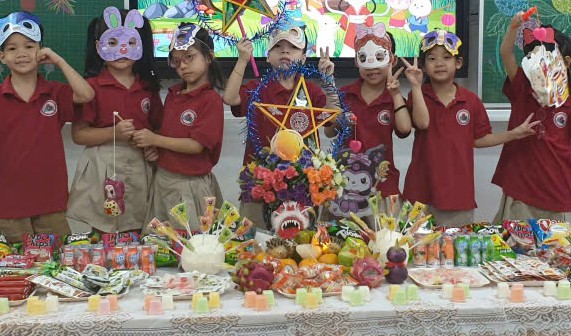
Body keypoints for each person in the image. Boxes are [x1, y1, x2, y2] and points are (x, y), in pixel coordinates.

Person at [0, 11, 94, 241]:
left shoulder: (54, 92)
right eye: (12, 48)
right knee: (11, 269)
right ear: (2, 57)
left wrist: (59, 60)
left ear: (40, 51)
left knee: (54, 267)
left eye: (29, 46)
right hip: (7, 205)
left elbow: (86, 94)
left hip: (50, 202)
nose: (21, 53)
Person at [402, 30, 539, 227]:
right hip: (419, 193)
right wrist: (415, 87)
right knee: (415, 253)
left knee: (455, 253)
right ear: (423, 66)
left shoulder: (471, 100)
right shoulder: (418, 95)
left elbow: (478, 139)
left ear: (458, 63)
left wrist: (514, 134)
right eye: (431, 58)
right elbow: (422, 123)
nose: (439, 63)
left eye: (447, 57)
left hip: (457, 195)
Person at [492, 19, 571, 223]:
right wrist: (513, 27)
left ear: (565, 63)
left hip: (557, 196)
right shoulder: (522, 87)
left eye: (546, 58)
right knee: (516, 251)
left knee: (558, 252)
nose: (538, 64)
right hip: (520, 195)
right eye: (532, 57)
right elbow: (505, 53)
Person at [69, 8, 163, 235]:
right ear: (98, 46)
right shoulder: (91, 87)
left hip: (139, 166)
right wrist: (114, 133)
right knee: (104, 228)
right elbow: (79, 135)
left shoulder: (147, 87)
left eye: (130, 42)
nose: (122, 50)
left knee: (140, 226)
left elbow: (158, 128)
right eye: (112, 42)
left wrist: (154, 146)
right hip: (103, 165)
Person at [223, 24, 327, 226]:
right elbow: (229, 97)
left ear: (304, 58)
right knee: (254, 243)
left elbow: (332, 121)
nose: (285, 51)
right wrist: (242, 60)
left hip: (302, 184)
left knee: (303, 245)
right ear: (268, 56)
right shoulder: (257, 88)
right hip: (260, 184)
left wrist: (329, 79)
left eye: (293, 48)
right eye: (278, 47)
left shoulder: (311, 91)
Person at [132, 23, 224, 225]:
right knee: (163, 245)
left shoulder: (211, 100)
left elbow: (196, 145)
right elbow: (170, 136)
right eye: (176, 61)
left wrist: (155, 139)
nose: (182, 66)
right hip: (163, 180)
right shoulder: (173, 95)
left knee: (191, 244)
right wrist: (156, 148)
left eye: (189, 57)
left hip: (191, 186)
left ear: (208, 57)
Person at [324, 23, 414, 196]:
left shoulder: (394, 100)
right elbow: (329, 132)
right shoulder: (344, 94)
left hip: (383, 186)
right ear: (357, 61)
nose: (372, 68)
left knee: (383, 224)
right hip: (344, 186)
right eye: (364, 58)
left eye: (380, 57)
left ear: (392, 60)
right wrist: (329, 84)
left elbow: (404, 129)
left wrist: (395, 95)